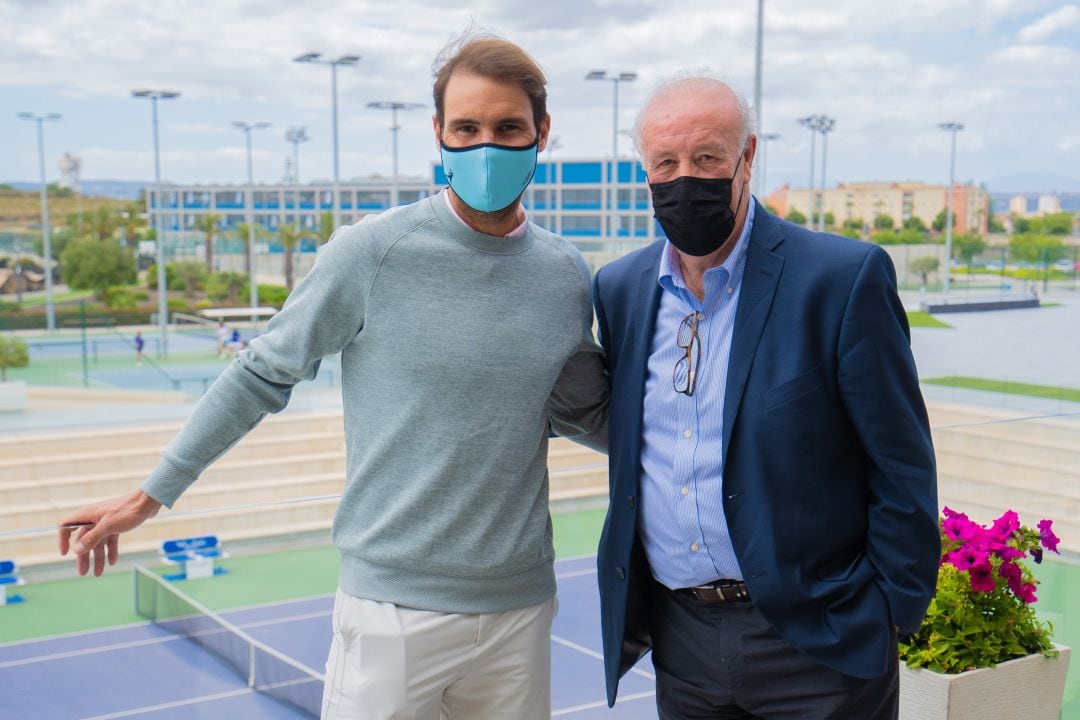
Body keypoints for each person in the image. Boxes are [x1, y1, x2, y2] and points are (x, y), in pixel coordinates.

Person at [59, 33, 607, 720]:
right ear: (438, 134)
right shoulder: (370, 253)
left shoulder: (565, 273)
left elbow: (589, 411)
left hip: (520, 611)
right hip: (390, 616)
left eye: (507, 128)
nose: (485, 146)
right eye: (466, 128)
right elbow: (261, 374)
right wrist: (150, 495)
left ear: (542, 134)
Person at [592, 75, 939, 718]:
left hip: (820, 646)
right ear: (644, 169)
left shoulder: (840, 279)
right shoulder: (621, 290)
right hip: (684, 642)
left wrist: (888, 612)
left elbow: (901, 463)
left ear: (747, 158)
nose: (684, 178)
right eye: (665, 163)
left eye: (707, 158)